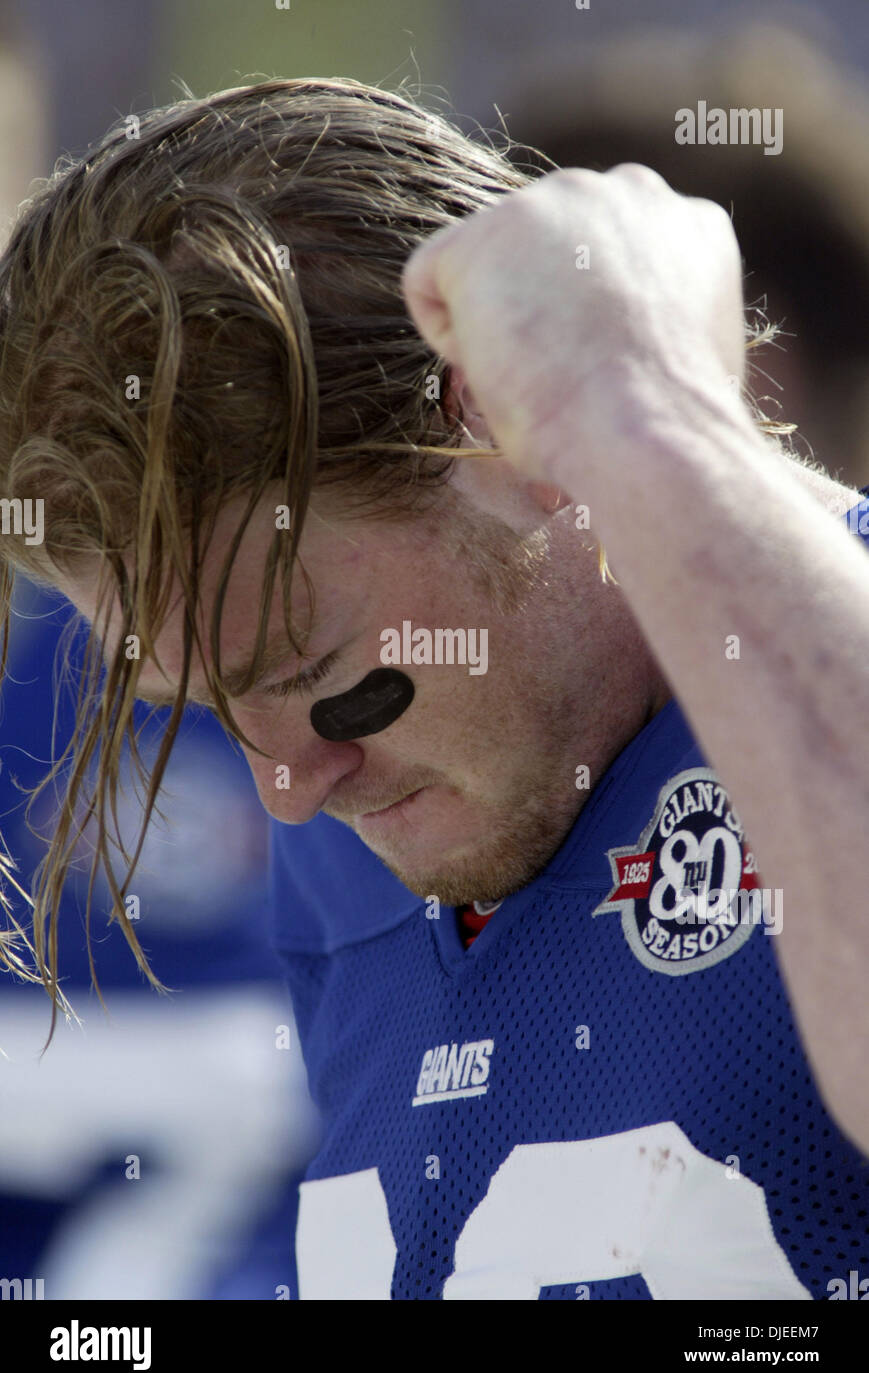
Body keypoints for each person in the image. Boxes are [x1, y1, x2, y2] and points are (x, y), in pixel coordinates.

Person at [0, 77, 867, 1300]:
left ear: (509, 437)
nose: (289, 792)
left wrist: (657, 422)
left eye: (316, 675)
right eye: (207, 709)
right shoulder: (378, 817)